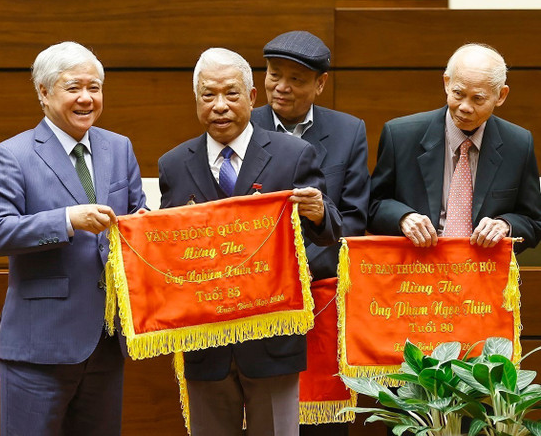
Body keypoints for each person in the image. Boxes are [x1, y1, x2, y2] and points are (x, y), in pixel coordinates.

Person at [158, 47, 342, 436]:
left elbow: (330, 233)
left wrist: (318, 212)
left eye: (231, 94)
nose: (220, 106)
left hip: (272, 340)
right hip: (205, 344)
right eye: (208, 95)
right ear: (196, 101)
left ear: (252, 97)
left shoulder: (293, 155)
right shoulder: (174, 164)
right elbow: (172, 251)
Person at [0, 41, 146, 436]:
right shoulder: (12, 154)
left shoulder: (119, 148)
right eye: (73, 88)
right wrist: (67, 220)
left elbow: (137, 220)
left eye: (95, 87)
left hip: (106, 343)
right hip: (39, 347)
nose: (86, 98)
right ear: (43, 91)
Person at [368, 43, 541, 252]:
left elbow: (533, 221)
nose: (465, 107)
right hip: (416, 270)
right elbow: (373, 206)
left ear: (501, 96)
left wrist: (506, 225)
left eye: (478, 98)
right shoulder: (400, 136)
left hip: (483, 271)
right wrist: (403, 218)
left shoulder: (518, 144)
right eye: (458, 93)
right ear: (447, 83)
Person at [251, 30, 369, 281]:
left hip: (320, 279)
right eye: (274, 75)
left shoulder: (349, 132)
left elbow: (354, 220)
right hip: (255, 276)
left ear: (321, 83)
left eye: (296, 79)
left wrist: (303, 266)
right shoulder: (244, 127)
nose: (282, 87)